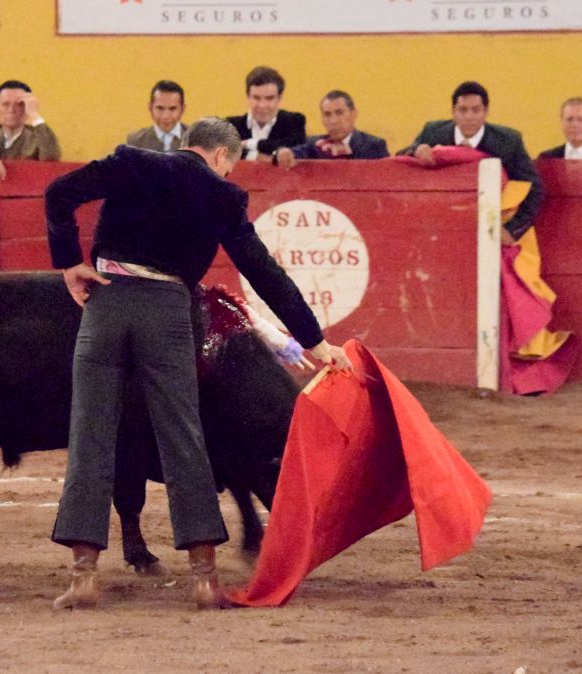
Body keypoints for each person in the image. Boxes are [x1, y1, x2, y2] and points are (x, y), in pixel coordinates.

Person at [45, 117, 352, 611]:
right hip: (168, 312)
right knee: (184, 438)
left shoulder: (130, 161)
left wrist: (69, 261)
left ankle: (84, 578)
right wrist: (315, 342)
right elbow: (265, 273)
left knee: (90, 437)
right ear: (222, 156)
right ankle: (204, 581)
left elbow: (58, 193)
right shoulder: (222, 194)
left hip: (106, 304)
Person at [400, 81, 542, 243]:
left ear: (485, 112)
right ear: (453, 111)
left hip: (487, 224)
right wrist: (416, 150)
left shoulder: (507, 141)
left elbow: (535, 189)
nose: (469, 117)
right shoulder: (433, 132)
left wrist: (512, 230)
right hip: (441, 225)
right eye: (462, 110)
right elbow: (401, 158)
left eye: (476, 110)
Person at [275, 90, 389, 167]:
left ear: (353, 114)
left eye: (339, 113)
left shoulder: (374, 145)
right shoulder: (314, 144)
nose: (333, 121)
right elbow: (288, 154)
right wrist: (281, 152)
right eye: (327, 115)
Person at [226, 66, 306, 162]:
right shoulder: (231, 126)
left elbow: (295, 150)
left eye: (269, 98)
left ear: (279, 98)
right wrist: (255, 156)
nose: (262, 105)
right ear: (248, 96)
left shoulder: (294, 121)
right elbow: (223, 153)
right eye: (256, 98)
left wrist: (249, 143)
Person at [125, 80, 188, 152]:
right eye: (160, 108)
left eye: (172, 109)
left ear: (182, 109)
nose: (165, 116)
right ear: (150, 108)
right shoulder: (135, 142)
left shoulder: (195, 141)